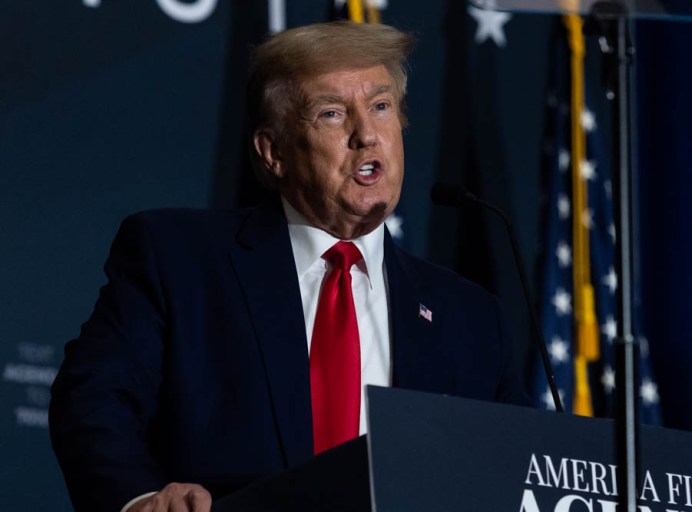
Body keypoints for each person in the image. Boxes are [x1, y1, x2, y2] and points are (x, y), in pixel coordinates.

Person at [49, 20, 529, 512]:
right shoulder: (178, 260)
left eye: (381, 106)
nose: (367, 135)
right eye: (331, 113)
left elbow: (514, 474)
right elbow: (95, 401)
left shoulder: (472, 320)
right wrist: (142, 500)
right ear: (273, 151)